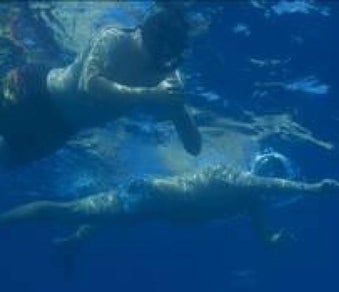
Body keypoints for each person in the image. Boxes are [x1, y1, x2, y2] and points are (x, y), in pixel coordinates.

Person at [0, 165, 339, 265]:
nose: (267, 187)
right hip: (149, 195)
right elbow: (268, 183)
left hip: (152, 207)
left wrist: (276, 240)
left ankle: (73, 241)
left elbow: (264, 238)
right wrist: (312, 188)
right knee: (66, 211)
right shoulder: (237, 177)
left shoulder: (253, 202)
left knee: (91, 216)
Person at [0, 2, 201, 168]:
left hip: (61, 129)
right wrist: (149, 93)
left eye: (168, 54)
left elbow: (194, 148)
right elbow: (89, 85)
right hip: (36, 90)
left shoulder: (167, 75)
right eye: (158, 47)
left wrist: (179, 109)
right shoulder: (114, 38)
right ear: (147, 32)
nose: (158, 61)